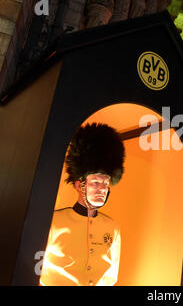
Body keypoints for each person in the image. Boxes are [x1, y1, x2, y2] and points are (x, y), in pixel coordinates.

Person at [40, 123, 125, 286]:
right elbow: (35, 271)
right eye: (95, 183)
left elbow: (111, 276)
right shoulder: (52, 222)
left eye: (106, 184)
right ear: (80, 185)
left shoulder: (113, 228)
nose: (102, 189)